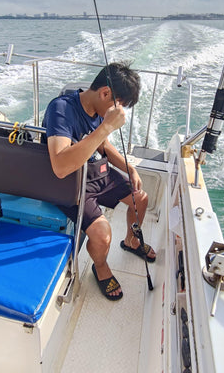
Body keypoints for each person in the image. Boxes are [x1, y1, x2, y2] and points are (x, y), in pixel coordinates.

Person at [42, 62, 156, 301]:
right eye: (121, 104)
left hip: (96, 170)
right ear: (105, 93)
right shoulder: (61, 109)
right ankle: (100, 267)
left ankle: (131, 241)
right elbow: (61, 166)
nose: (122, 112)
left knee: (140, 198)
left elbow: (102, 145)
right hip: (70, 183)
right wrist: (105, 127)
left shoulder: (98, 111)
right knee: (102, 235)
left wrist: (130, 169)